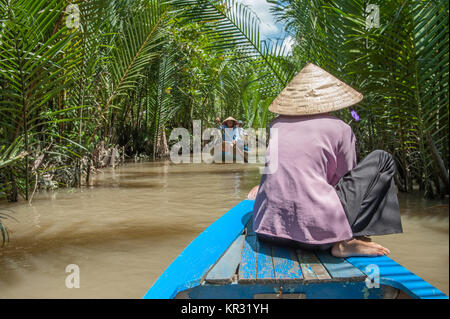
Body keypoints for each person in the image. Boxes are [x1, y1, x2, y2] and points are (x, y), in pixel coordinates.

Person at [247, 63, 403, 257]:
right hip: (317, 238)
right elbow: (346, 179)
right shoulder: (340, 128)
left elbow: (281, 170)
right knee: (383, 159)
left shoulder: (276, 125)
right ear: (330, 102)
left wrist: (259, 188)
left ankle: (342, 236)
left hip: (266, 230)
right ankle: (347, 240)